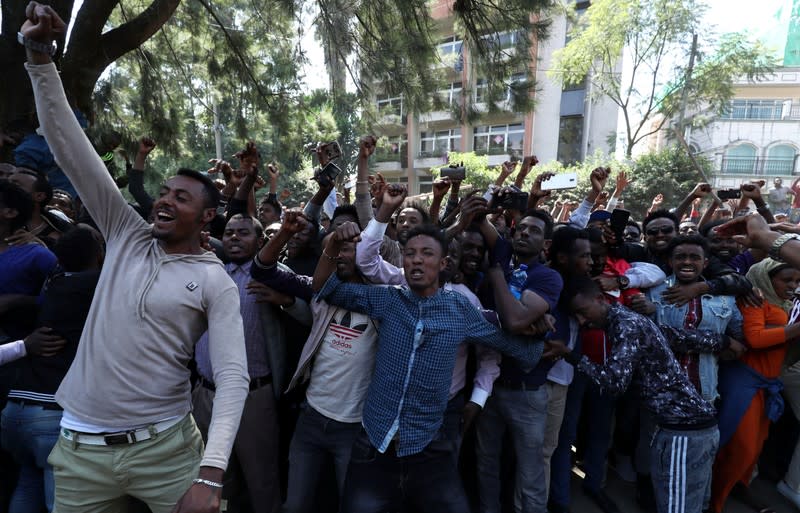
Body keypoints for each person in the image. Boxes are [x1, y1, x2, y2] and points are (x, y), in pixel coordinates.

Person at [21, 5, 249, 513]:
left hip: (168, 451)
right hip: (80, 452)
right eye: (164, 191)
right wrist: (39, 58)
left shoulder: (216, 282)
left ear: (207, 217)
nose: (165, 200)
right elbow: (69, 147)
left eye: (181, 198)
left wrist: (210, 476)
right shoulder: (125, 232)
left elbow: (233, 377)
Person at [318, 223, 544, 513]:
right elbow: (326, 288)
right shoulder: (388, 299)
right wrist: (334, 244)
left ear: (443, 263)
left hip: (431, 446)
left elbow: (515, 347)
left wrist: (538, 328)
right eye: (410, 253)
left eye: (427, 253)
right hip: (375, 444)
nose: (417, 259)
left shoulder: (460, 309)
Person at [551, 276, 742, 513]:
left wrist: (572, 356)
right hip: (695, 429)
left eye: (583, 311)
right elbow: (676, 336)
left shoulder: (626, 325)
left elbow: (614, 382)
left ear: (600, 300)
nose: (581, 321)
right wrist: (721, 341)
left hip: (684, 432)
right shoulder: (632, 320)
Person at [250, 216, 379, 513]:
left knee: (352, 503)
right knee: (295, 505)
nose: (340, 256)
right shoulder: (321, 294)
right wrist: (284, 233)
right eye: (333, 252)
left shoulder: (383, 300)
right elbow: (262, 269)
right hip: (310, 421)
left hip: (354, 427)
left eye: (348, 249)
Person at [1, 225, 103, 513]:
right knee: (58, 504)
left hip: (14, 412)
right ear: (99, 254)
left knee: (27, 484)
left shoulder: (54, 283)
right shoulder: (97, 285)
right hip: (50, 417)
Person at [191, 214, 287, 513]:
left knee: (262, 481)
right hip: (206, 395)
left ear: (261, 241)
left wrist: (285, 300)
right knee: (214, 482)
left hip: (253, 398)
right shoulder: (207, 270)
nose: (234, 238)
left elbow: (311, 316)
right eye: (230, 232)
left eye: (243, 233)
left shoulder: (274, 275)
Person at [711, 259, 800, 513]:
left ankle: (738, 486)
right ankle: (714, 502)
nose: (793, 286)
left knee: (756, 447)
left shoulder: (784, 303)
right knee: (741, 447)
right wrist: (795, 329)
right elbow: (755, 338)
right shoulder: (754, 300)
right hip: (744, 383)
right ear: (766, 278)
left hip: (766, 385)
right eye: (787, 280)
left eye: (797, 280)